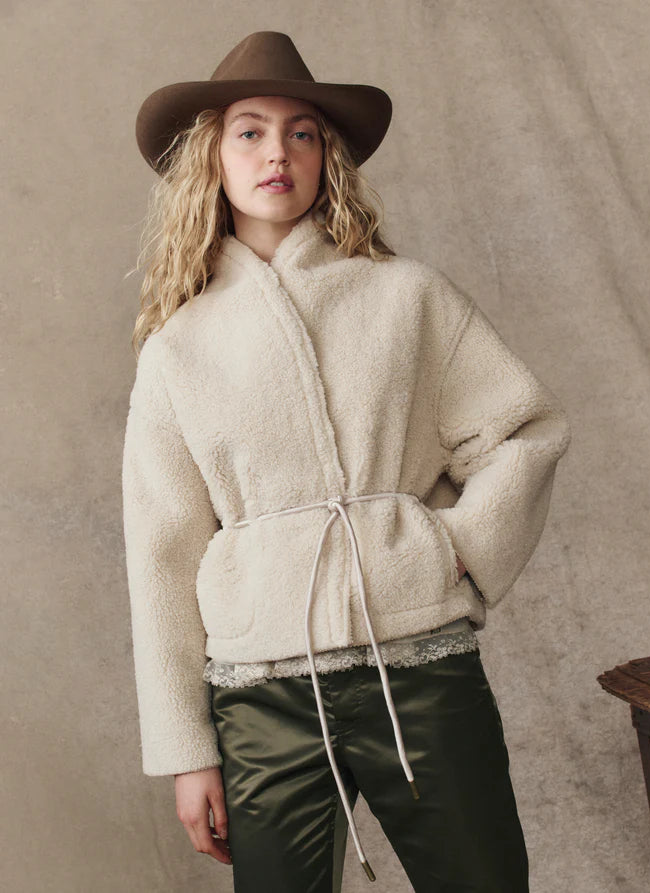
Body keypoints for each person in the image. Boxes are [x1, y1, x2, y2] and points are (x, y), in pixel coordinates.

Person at [122, 30, 571, 893]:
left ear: (327, 155)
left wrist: (453, 553)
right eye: (249, 130)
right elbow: (161, 550)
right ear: (211, 154)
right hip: (261, 696)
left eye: (302, 132)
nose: (277, 152)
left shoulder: (408, 297)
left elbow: (527, 428)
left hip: (419, 665)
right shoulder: (177, 348)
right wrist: (186, 750)